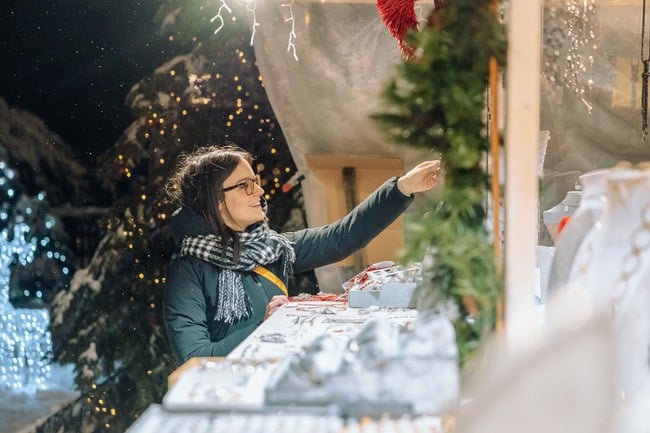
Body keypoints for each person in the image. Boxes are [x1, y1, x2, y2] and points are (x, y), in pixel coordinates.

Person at [163, 144, 441, 364]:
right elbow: (194, 359)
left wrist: (402, 188)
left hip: (284, 382)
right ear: (216, 199)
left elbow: (341, 238)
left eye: (255, 180)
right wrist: (265, 326)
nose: (259, 190)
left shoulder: (272, 248)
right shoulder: (188, 272)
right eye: (245, 184)